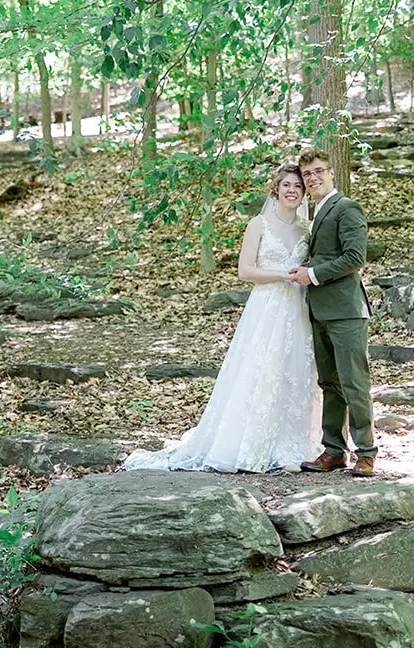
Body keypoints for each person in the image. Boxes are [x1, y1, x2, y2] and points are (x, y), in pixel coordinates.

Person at [122, 163, 320, 472]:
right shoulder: (259, 224)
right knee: (260, 369)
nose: (292, 190)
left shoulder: (307, 229)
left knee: (294, 370)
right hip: (266, 307)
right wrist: (283, 274)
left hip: (298, 306)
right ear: (276, 190)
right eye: (286, 185)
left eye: (297, 185)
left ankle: (291, 442)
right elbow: (245, 271)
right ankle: (250, 443)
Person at [290, 148, 376, 477]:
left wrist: (311, 275)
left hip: (346, 311)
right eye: (307, 174)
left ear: (331, 172)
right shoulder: (317, 212)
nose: (312, 178)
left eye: (318, 171)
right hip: (320, 310)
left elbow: (355, 257)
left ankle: (366, 453)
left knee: (354, 382)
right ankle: (333, 451)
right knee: (330, 383)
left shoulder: (347, 208)